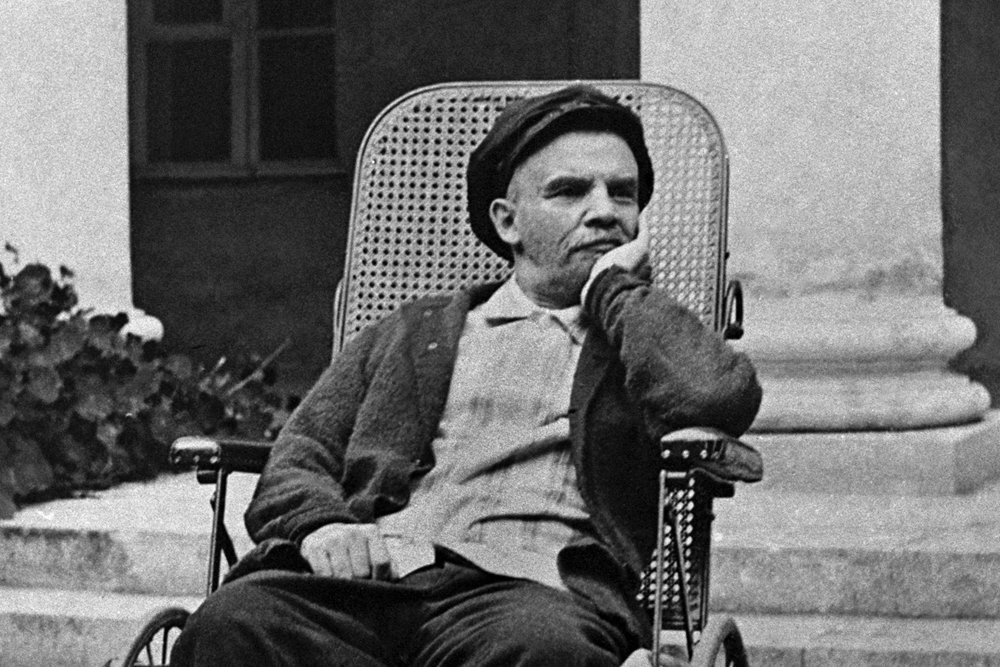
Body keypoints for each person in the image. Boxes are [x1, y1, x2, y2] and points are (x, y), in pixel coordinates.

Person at [171, 85, 762, 667]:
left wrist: (614, 291)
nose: (605, 211)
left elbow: (717, 397)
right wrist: (320, 525)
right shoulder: (413, 332)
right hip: (373, 585)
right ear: (508, 222)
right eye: (569, 191)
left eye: (623, 194)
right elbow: (301, 450)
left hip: (532, 595)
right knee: (232, 622)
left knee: (543, 649)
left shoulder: (646, 341)